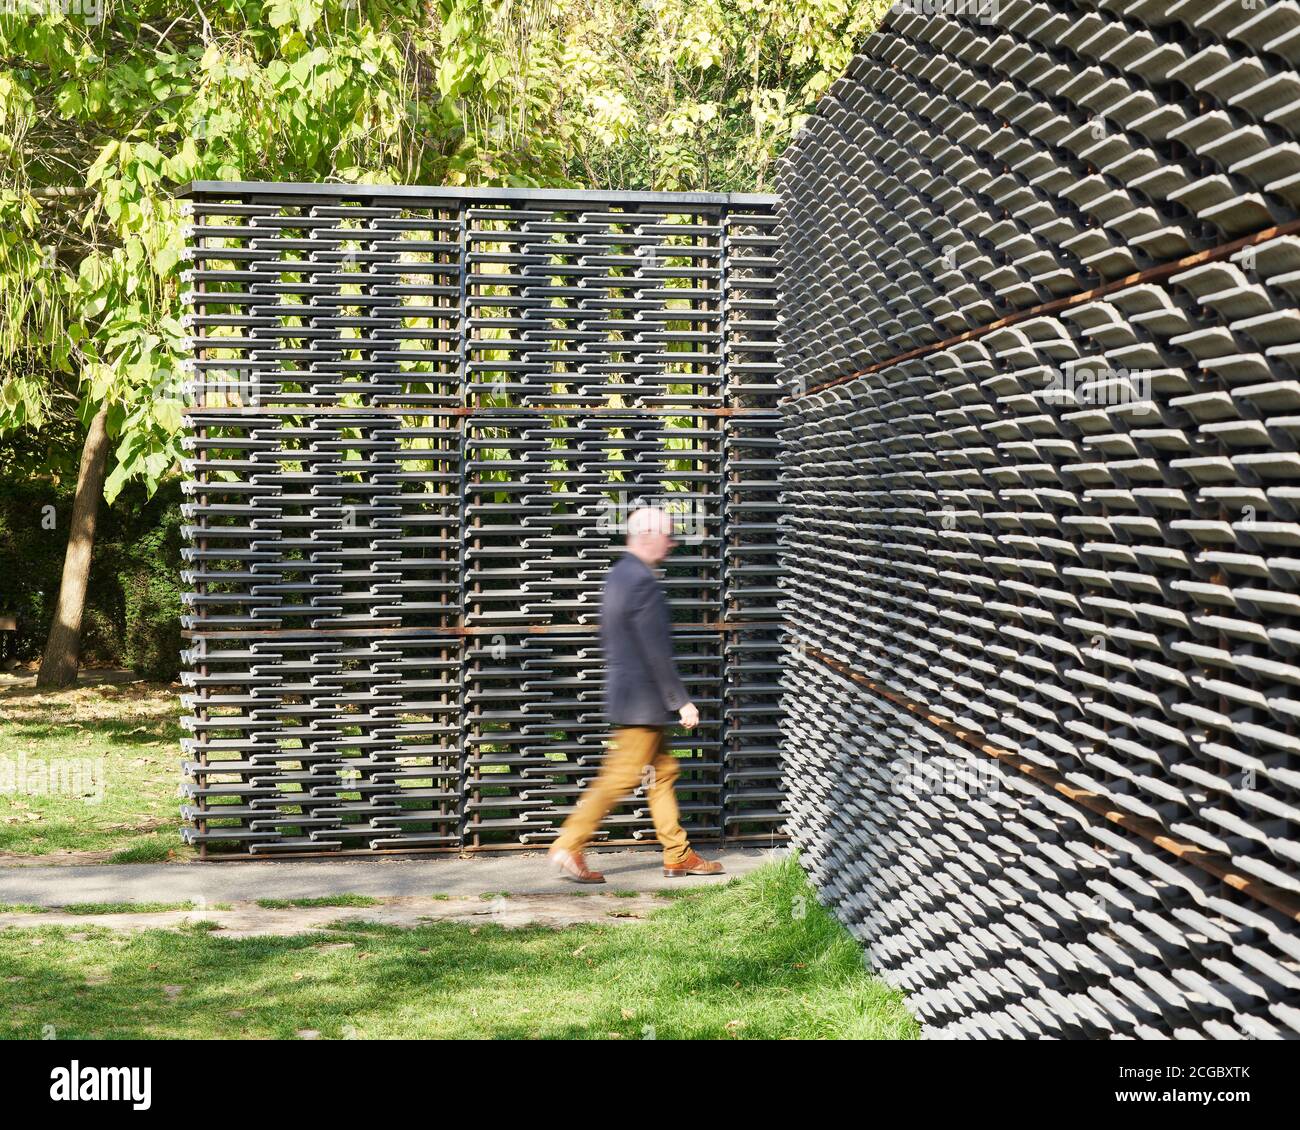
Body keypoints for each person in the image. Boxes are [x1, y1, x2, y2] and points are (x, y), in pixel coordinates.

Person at [547, 506, 724, 883]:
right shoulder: (642, 581)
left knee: (661, 774)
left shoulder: (618, 575)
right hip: (643, 702)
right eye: (667, 534)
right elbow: (654, 650)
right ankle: (569, 843)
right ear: (647, 534)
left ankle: (678, 854)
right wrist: (681, 701)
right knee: (620, 777)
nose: (672, 542)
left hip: (630, 697)